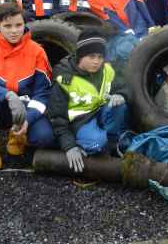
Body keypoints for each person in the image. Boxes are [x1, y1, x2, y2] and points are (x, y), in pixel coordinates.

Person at [0, 2, 54, 170]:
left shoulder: (37, 51)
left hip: (25, 109)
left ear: (24, 24)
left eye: (18, 25)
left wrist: (28, 118)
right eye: (7, 26)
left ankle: (17, 137)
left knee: (44, 138)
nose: (14, 31)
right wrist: (6, 95)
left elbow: (42, 95)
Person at [47, 29, 131, 173]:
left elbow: (123, 86)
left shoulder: (107, 69)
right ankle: (84, 144)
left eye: (100, 57)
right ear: (80, 55)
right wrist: (69, 146)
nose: (96, 61)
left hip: (99, 110)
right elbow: (57, 118)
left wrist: (120, 94)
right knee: (96, 143)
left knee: (120, 106)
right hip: (79, 122)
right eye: (91, 56)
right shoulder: (65, 79)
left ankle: (112, 144)